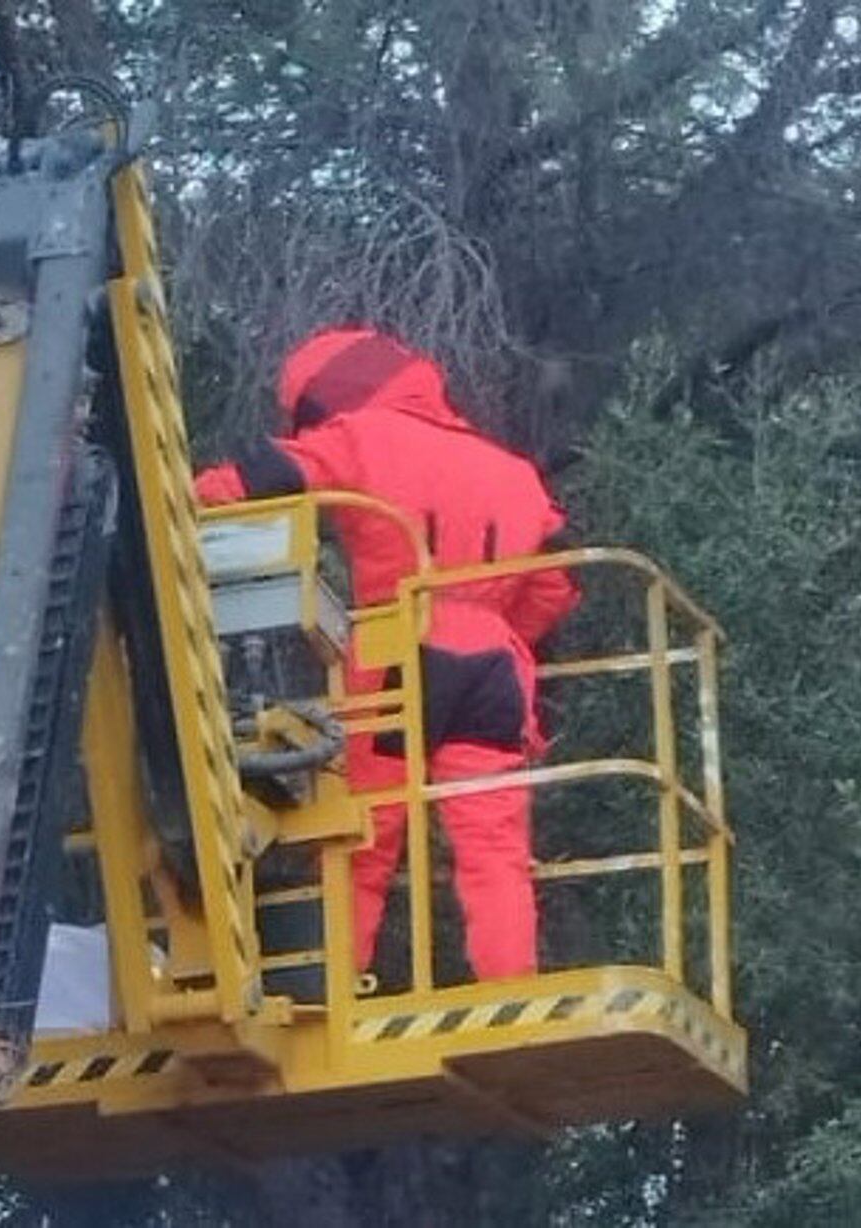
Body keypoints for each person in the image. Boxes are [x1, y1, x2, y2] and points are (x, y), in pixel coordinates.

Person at [194, 326, 578, 980]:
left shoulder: (363, 438)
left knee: (363, 840)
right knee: (494, 847)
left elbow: (261, 478)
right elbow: (554, 590)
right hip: (494, 663)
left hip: (396, 644)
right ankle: (511, 989)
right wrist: (490, 621)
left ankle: (336, 989)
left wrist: (173, 501)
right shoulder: (513, 472)